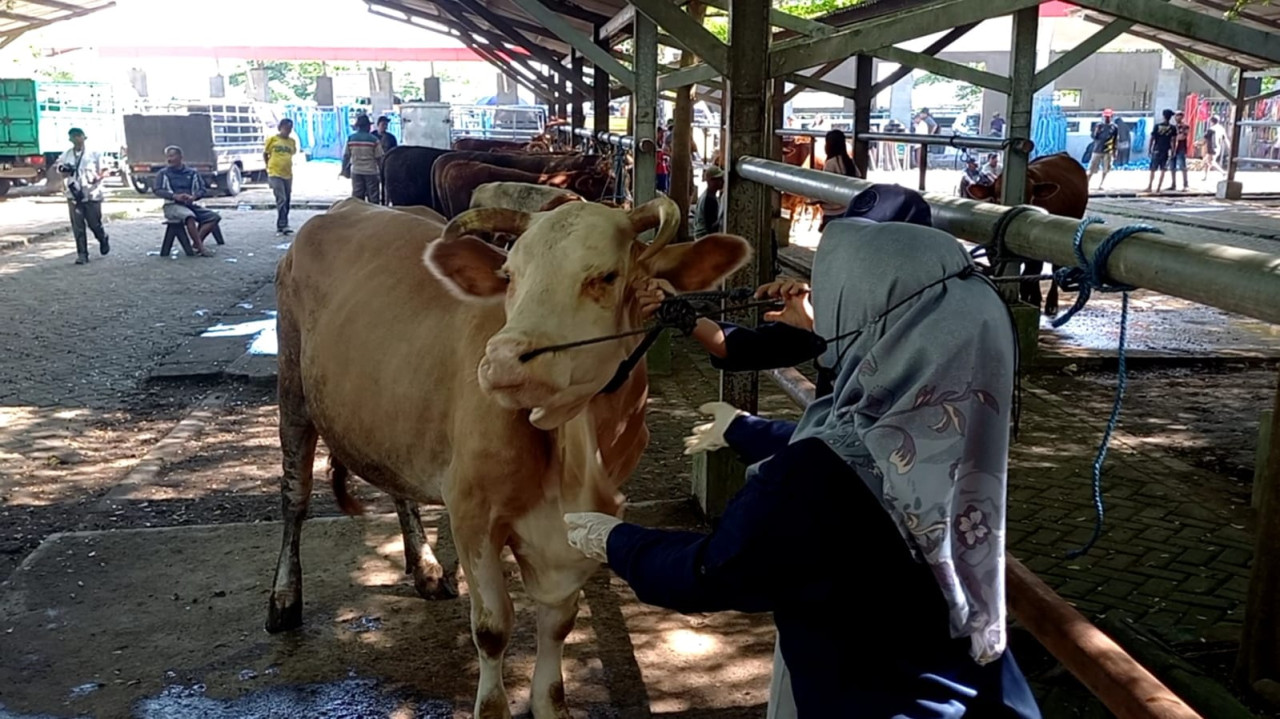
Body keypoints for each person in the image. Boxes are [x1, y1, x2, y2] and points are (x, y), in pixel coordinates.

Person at [565, 220, 1041, 719]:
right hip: (985, 692)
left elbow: (716, 569)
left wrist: (615, 541)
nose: (824, 310)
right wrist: (745, 429)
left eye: (840, 297)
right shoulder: (961, 425)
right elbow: (865, 447)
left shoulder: (813, 478)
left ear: (871, 315)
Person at [55, 127, 109, 265]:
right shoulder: (66, 155)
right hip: (73, 195)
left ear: (84, 137)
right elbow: (59, 170)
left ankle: (102, 238)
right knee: (78, 226)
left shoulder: (95, 154)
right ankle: (82, 254)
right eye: (73, 137)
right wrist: (64, 170)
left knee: (94, 224)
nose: (76, 139)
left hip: (91, 194)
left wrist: (97, 178)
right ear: (70, 139)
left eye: (78, 136)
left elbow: (105, 170)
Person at [153, 145, 220, 257]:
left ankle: (196, 244)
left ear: (180, 157)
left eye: (172, 156)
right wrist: (174, 196)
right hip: (172, 206)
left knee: (213, 217)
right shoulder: (163, 173)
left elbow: (202, 189)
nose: (169, 159)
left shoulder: (192, 173)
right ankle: (201, 248)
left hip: (189, 204)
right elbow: (157, 190)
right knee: (189, 216)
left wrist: (194, 197)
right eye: (167, 157)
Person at [817, 129, 857, 229]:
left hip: (832, 210)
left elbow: (826, 186)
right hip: (846, 208)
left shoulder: (830, 163)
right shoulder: (850, 162)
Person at [264, 118, 297, 236]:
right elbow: (265, 153)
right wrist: (267, 167)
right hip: (275, 173)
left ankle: (284, 222)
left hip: (287, 173)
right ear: (280, 128)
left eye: (290, 129)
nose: (287, 131)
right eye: (286, 128)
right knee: (281, 198)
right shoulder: (272, 140)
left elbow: (292, 154)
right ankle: (282, 225)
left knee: (287, 199)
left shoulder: (292, 142)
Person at [342, 114, 384, 203]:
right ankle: (373, 216)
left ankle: (358, 215)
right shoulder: (374, 140)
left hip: (356, 172)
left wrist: (344, 170)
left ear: (358, 127)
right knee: (373, 198)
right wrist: (382, 173)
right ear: (367, 126)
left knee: (357, 198)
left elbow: (346, 156)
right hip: (371, 172)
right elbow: (379, 158)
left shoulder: (351, 139)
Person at [1087, 109, 1119, 190]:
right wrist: (1096, 132)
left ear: (1111, 117)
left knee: (1106, 169)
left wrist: (1115, 151)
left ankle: (1101, 184)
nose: (1107, 118)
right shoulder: (1099, 126)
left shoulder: (1114, 127)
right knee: (1092, 168)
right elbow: (1094, 137)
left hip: (1108, 151)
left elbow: (1115, 139)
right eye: (1105, 117)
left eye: (1108, 117)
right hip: (1097, 150)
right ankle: (1086, 183)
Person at [1146, 109, 1176, 194]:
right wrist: (1173, 151)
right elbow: (1173, 141)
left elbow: (1152, 138)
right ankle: (1158, 188)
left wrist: (1149, 149)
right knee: (1163, 169)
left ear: (1163, 116)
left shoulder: (1157, 126)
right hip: (1166, 150)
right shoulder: (1172, 128)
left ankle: (1150, 186)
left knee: (1153, 169)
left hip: (1157, 149)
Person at [691, 165, 724, 238]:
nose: (722, 181)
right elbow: (711, 228)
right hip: (704, 238)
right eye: (718, 179)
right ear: (710, 181)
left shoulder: (707, 195)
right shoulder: (710, 199)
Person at [1168, 110, 1191, 191]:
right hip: (1172, 148)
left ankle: (1186, 184)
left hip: (1181, 148)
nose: (1177, 117)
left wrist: (1174, 137)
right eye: (1176, 115)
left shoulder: (1185, 126)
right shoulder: (1173, 127)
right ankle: (1173, 184)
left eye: (1179, 115)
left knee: (1182, 167)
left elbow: (1183, 136)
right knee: (1172, 167)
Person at [1202, 115, 1225, 180]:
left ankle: (1222, 172)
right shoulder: (1221, 128)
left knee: (1211, 162)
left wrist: (1199, 144)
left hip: (1212, 147)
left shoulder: (1211, 129)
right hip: (1218, 147)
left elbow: (1205, 139)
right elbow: (1223, 138)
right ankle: (1205, 176)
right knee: (1206, 162)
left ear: (1211, 121)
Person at [655, 126, 670, 194]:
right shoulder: (655, 145)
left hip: (663, 170)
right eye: (661, 133)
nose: (662, 135)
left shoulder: (661, 144)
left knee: (663, 189)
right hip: (658, 171)